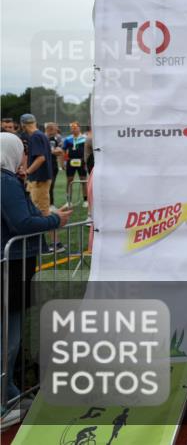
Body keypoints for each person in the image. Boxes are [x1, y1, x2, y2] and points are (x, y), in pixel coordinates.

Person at [1, 132, 71, 429]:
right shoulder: (5, 182)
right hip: (10, 266)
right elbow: (23, 221)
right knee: (9, 339)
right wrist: (56, 220)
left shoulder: (8, 179)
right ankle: (5, 405)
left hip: (12, 264)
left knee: (10, 336)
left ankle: (11, 394)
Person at [20, 114, 54, 213]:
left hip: (39, 178)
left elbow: (40, 158)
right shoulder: (41, 135)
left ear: (23, 125)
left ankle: (48, 228)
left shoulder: (35, 136)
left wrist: (27, 172)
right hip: (41, 177)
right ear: (34, 122)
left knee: (41, 209)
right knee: (39, 207)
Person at [62, 122, 88, 207]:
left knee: (83, 180)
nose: (73, 129)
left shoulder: (85, 138)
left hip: (82, 161)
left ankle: (85, 200)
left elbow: (87, 150)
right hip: (71, 161)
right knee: (69, 180)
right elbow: (64, 151)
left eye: (75, 127)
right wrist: (64, 162)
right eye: (72, 128)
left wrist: (86, 161)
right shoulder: (67, 139)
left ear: (79, 128)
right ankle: (68, 201)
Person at [44, 122, 63, 206]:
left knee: (51, 185)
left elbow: (59, 151)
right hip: (45, 165)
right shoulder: (43, 138)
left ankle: (51, 203)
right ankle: (47, 204)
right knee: (46, 186)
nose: (57, 131)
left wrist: (53, 151)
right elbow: (52, 151)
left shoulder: (55, 138)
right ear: (50, 129)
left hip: (53, 164)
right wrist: (53, 151)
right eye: (56, 129)